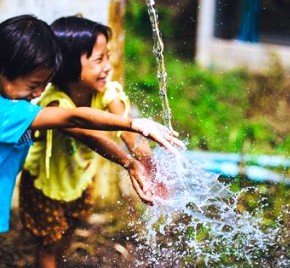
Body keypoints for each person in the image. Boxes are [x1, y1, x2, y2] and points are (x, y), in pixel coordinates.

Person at [0, 14, 184, 236]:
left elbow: (129, 138)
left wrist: (143, 164)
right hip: (46, 185)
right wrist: (133, 126)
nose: (38, 93)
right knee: (48, 244)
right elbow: (78, 121)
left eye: (43, 84)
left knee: (66, 234)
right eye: (33, 85)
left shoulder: (105, 91)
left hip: (74, 180)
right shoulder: (18, 110)